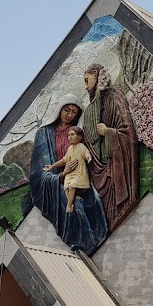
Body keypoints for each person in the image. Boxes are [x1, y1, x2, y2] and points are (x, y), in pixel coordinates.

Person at [28, 95, 108, 253]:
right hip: (57, 181)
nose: (70, 114)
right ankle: (82, 242)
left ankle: (97, 237)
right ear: (59, 109)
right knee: (75, 207)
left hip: (79, 178)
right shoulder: (44, 133)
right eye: (67, 110)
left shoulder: (77, 134)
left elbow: (87, 154)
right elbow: (40, 170)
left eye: (74, 111)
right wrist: (61, 175)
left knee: (95, 201)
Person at [82, 63, 140, 232]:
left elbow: (128, 133)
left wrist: (108, 132)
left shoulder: (115, 97)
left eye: (88, 80)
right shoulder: (89, 109)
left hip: (114, 166)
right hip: (96, 167)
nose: (86, 86)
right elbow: (88, 138)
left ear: (98, 76)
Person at [43, 126, 92, 212]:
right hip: (70, 174)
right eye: (68, 135)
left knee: (72, 185)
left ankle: (69, 205)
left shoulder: (81, 146)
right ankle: (72, 198)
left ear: (80, 137)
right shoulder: (70, 148)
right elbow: (64, 160)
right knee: (66, 187)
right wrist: (52, 166)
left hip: (79, 174)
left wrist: (88, 158)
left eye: (72, 134)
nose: (70, 137)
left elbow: (86, 152)